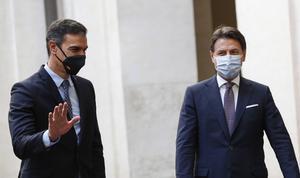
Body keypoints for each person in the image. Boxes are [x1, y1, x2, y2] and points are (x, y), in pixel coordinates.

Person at [176, 26, 300, 178]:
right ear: (212, 56)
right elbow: (185, 145)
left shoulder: (261, 93)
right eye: (221, 53)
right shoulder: (195, 95)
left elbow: (281, 140)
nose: (228, 57)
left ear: (243, 54)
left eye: (234, 52)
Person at [8, 19, 105, 178]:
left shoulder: (86, 87)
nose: (81, 55)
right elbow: (20, 145)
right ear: (53, 47)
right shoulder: (25, 90)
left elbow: (94, 145)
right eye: (75, 49)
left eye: (84, 50)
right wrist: (51, 135)